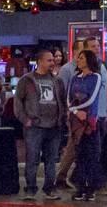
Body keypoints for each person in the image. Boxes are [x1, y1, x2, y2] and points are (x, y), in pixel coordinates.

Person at [20, 48, 66, 199]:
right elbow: (18, 102)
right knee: (32, 158)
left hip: (54, 126)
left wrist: (62, 117)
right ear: (40, 61)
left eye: (53, 60)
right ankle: (30, 188)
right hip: (34, 126)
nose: (53, 62)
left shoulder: (57, 81)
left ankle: (50, 188)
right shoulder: (27, 80)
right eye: (49, 60)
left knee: (51, 160)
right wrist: (25, 119)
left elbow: (63, 100)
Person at [68, 48, 106, 202]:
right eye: (78, 58)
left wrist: (80, 110)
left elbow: (93, 98)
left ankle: (91, 188)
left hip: (90, 121)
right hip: (77, 121)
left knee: (92, 155)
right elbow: (68, 98)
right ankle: (80, 187)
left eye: (82, 58)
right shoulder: (75, 78)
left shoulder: (96, 77)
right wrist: (75, 111)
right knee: (80, 155)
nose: (79, 60)